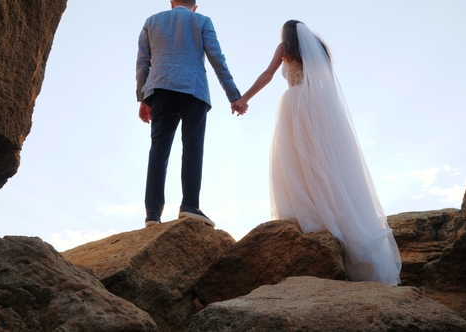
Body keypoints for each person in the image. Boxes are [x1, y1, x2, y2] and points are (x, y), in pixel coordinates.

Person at [233, 20, 401, 285]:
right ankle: (336, 214)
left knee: (295, 159)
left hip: (296, 104)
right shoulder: (319, 49)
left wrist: (244, 98)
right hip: (320, 106)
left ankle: (308, 212)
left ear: (286, 35)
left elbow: (267, 74)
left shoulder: (285, 48)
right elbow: (326, 80)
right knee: (325, 161)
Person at [137, 0, 247, 228]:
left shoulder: (152, 21)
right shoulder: (202, 21)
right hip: (194, 89)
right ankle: (189, 205)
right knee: (193, 147)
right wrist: (233, 95)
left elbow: (142, 62)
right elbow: (217, 59)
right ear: (195, 7)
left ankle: (152, 214)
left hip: (159, 88)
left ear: (171, 3)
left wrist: (143, 97)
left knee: (158, 149)